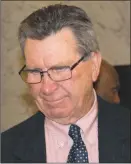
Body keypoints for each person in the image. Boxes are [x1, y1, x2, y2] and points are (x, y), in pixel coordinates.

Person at [1, 4, 130, 163]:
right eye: (35, 72)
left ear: (94, 65)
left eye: (60, 69)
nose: (47, 88)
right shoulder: (5, 149)